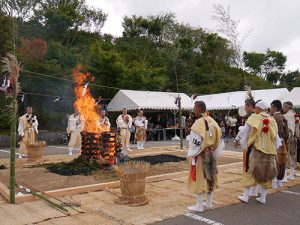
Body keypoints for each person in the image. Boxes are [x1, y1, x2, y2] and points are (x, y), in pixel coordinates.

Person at [237, 101, 281, 204]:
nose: (255, 109)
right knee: (267, 173)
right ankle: (263, 198)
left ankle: (246, 196)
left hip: (258, 149)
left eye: (256, 107)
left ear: (258, 108)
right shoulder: (272, 119)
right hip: (270, 150)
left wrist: (237, 138)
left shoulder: (255, 117)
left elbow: (245, 130)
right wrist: (277, 148)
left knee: (251, 171)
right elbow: (276, 136)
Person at [187, 101, 223, 212]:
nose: (193, 110)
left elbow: (194, 142)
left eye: (194, 108)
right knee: (210, 178)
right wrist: (214, 151)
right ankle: (209, 203)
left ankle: (199, 205)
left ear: (198, 108)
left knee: (200, 178)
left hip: (201, 154)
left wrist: (192, 152)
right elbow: (219, 139)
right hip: (211, 153)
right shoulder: (213, 121)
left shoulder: (198, 123)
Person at [234, 97, 258, 197]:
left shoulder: (252, 117)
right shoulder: (260, 116)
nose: (244, 108)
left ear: (249, 106)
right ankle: (254, 190)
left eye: (245, 106)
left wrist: (236, 138)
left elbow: (244, 130)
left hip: (251, 146)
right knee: (255, 168)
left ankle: (247, 194)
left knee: (248, 168)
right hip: (258, 147)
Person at [270, 100, 289, 188]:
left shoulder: (273, 117)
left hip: (275, 141)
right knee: (282, 162)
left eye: (271, 107)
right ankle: (279, 182)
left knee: (274, 161)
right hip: (283, 142)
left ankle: (274, 182)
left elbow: (272, 132)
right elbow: (287, 134)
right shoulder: (283, 117)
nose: (270, 108)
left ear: (274, 107)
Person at [283, 101, 297, 180]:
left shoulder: (285, 116)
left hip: (288, 138)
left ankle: (284, 176)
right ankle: (291, 175)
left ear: (287, 107)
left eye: (284, 106)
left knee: (285, 156)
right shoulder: (296, 116)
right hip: (294, 137)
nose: (283, 108)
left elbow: (285, 129)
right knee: (292, 156)